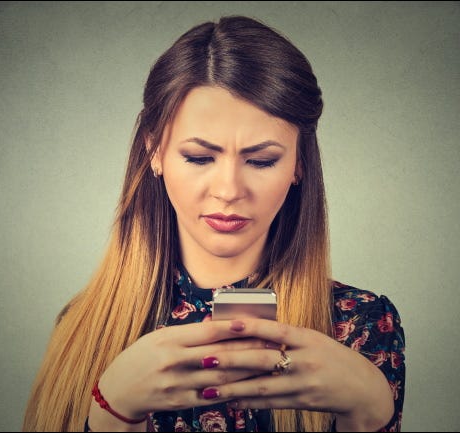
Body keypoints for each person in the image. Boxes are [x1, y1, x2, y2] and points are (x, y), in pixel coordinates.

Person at [22, 15, 405, 432]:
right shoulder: (81, 326)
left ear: (298, 164)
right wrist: (111, 415)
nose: (228, 190)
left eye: (261, 160)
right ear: (155, 151)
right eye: (200, 157)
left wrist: (369, 412)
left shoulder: (361, 326)